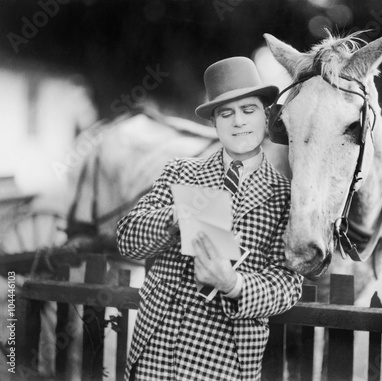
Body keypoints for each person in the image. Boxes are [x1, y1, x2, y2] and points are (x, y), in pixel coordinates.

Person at [117, 56, 303, 381]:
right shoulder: (181, 171)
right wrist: (175, 216)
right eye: (225, 113)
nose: (238, 122)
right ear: (213, 124)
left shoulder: (286, 196)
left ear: (267, 116)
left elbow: (288, 285)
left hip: (227, 357)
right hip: (159, 345)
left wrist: (234, 284)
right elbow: (127, 239)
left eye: (248, 110)